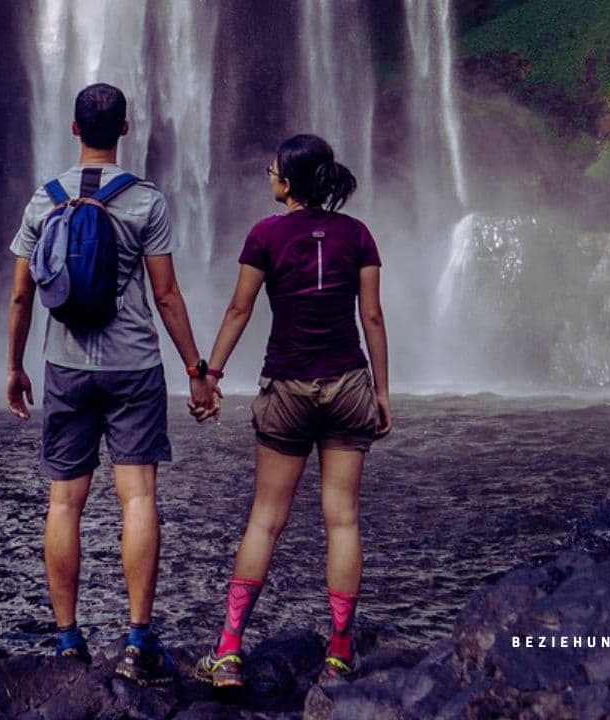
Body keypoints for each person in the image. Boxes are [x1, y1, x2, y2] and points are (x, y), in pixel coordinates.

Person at [6, 82, 216, 685]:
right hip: (133, 365)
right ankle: (138, 642)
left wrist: (16, 367)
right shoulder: (145, 201)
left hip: (66, 366)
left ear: (73, 130)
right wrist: (196, 370)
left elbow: (22, 295)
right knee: (139, 499)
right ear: (126, 128)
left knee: (64, 502)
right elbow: (167, 295)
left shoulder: (41, 202)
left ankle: (68, 641)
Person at [191, 133, 393, 688]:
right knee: (344, 519)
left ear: (288, 183)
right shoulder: (358, 235)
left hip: (286, 387)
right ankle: (339, 655)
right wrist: (381, 391)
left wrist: (208, 375)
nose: (268, 172)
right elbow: (371, 318)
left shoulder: (265, 235)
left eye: (273, 167)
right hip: (349, 382)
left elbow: (239, 308)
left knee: (266, 519)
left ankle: (228, 653)